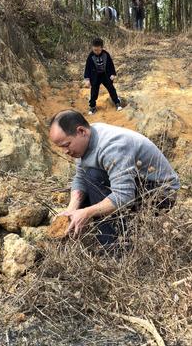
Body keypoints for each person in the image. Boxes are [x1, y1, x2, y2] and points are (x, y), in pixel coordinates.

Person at [49, 110, 180, 244]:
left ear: (81, 131)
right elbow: (81, 177)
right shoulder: (86, 140)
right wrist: (71, 209)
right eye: (61, 147)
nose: (65, 151)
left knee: (94, 177)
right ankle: (104, 232)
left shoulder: (113, 146)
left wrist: (86, 213)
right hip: (136, 185)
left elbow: (124, 195)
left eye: (66, 145)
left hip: (160, 193)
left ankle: (114, 245)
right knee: (89, 182)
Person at [84, 37, 122, 115]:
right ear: (92, 48)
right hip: (95, 76)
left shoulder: (106, 54)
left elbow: (110, 64)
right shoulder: (90, 56)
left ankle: (117, 103)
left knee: (111, 88)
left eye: (98, 50)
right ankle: (92, 107)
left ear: (102, 48)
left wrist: (112, 74)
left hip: (105, 75)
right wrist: (87, 79)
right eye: (95, 50)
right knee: (94, 91)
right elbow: (87, 68)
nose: (97, 52)